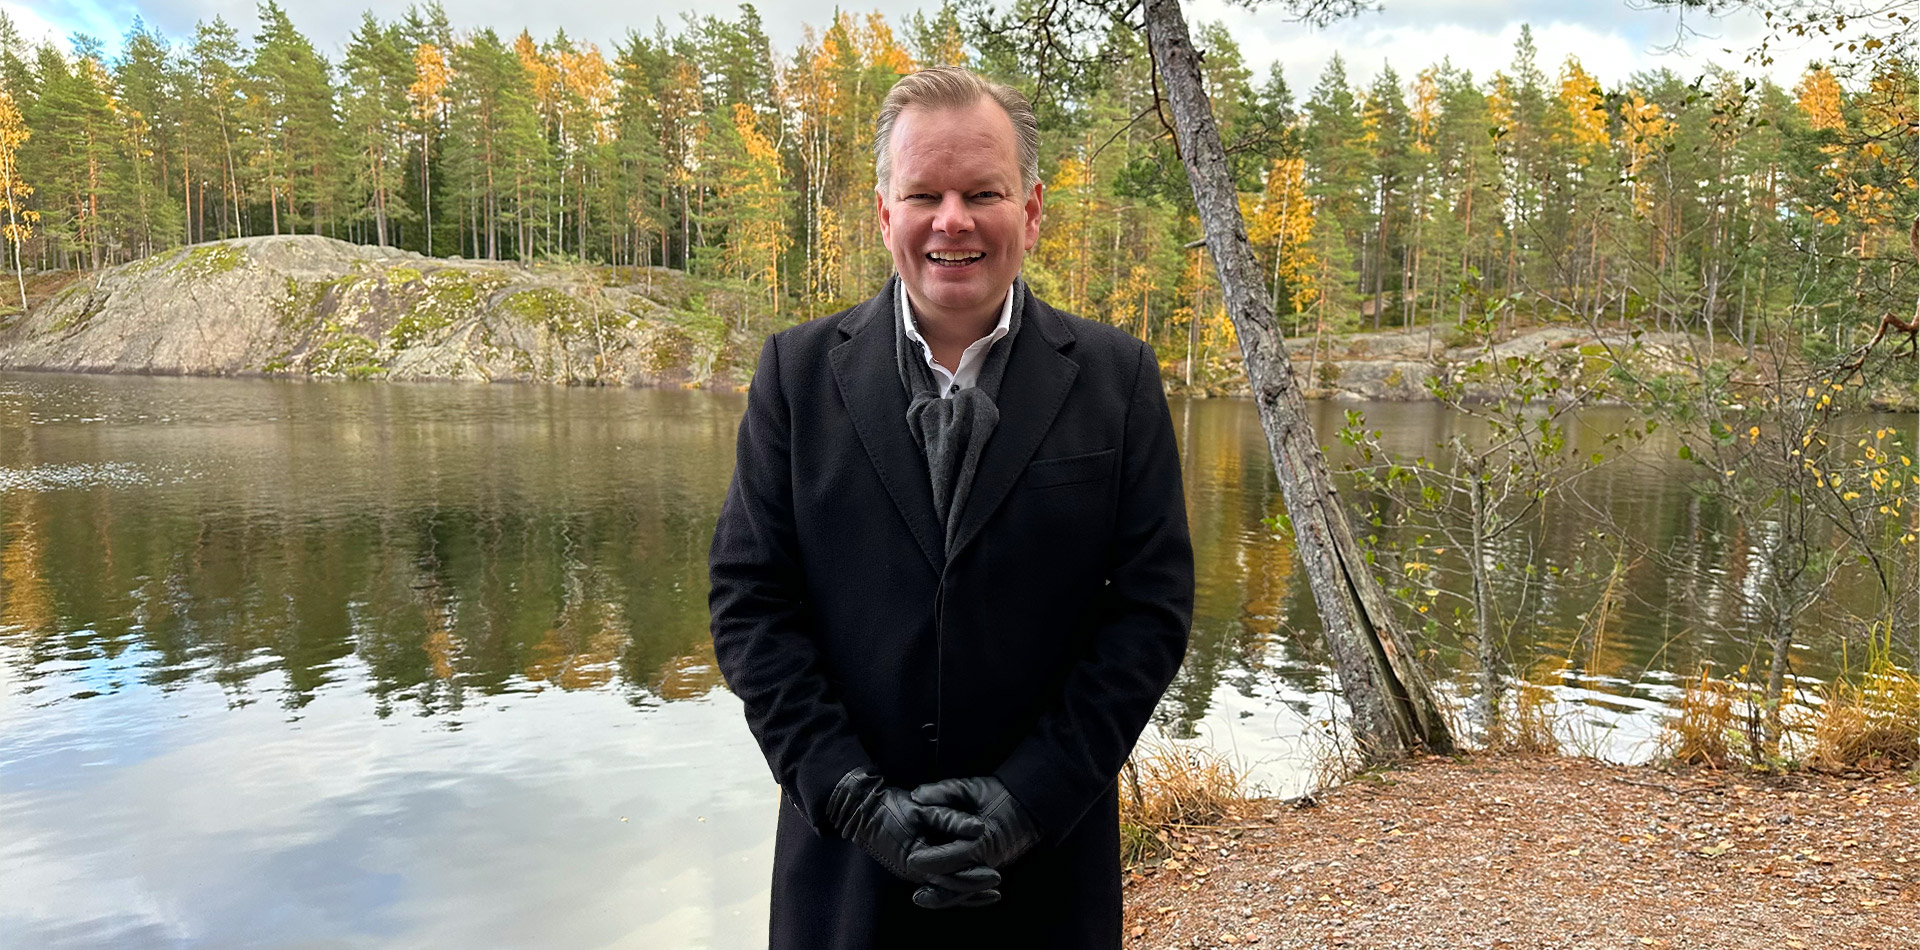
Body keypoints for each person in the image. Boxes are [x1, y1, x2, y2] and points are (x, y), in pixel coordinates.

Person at [708, 65, 1194, 950]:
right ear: (884, 215)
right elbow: (750, 604)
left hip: (1047, 875)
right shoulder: (797, 377)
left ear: (1032, 210)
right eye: (923, 193)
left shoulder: (1118, 382)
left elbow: (1150, 616)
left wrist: (1026, 803)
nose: (953, 220)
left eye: (984, 192)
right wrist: (851, 798)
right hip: (846, 878)